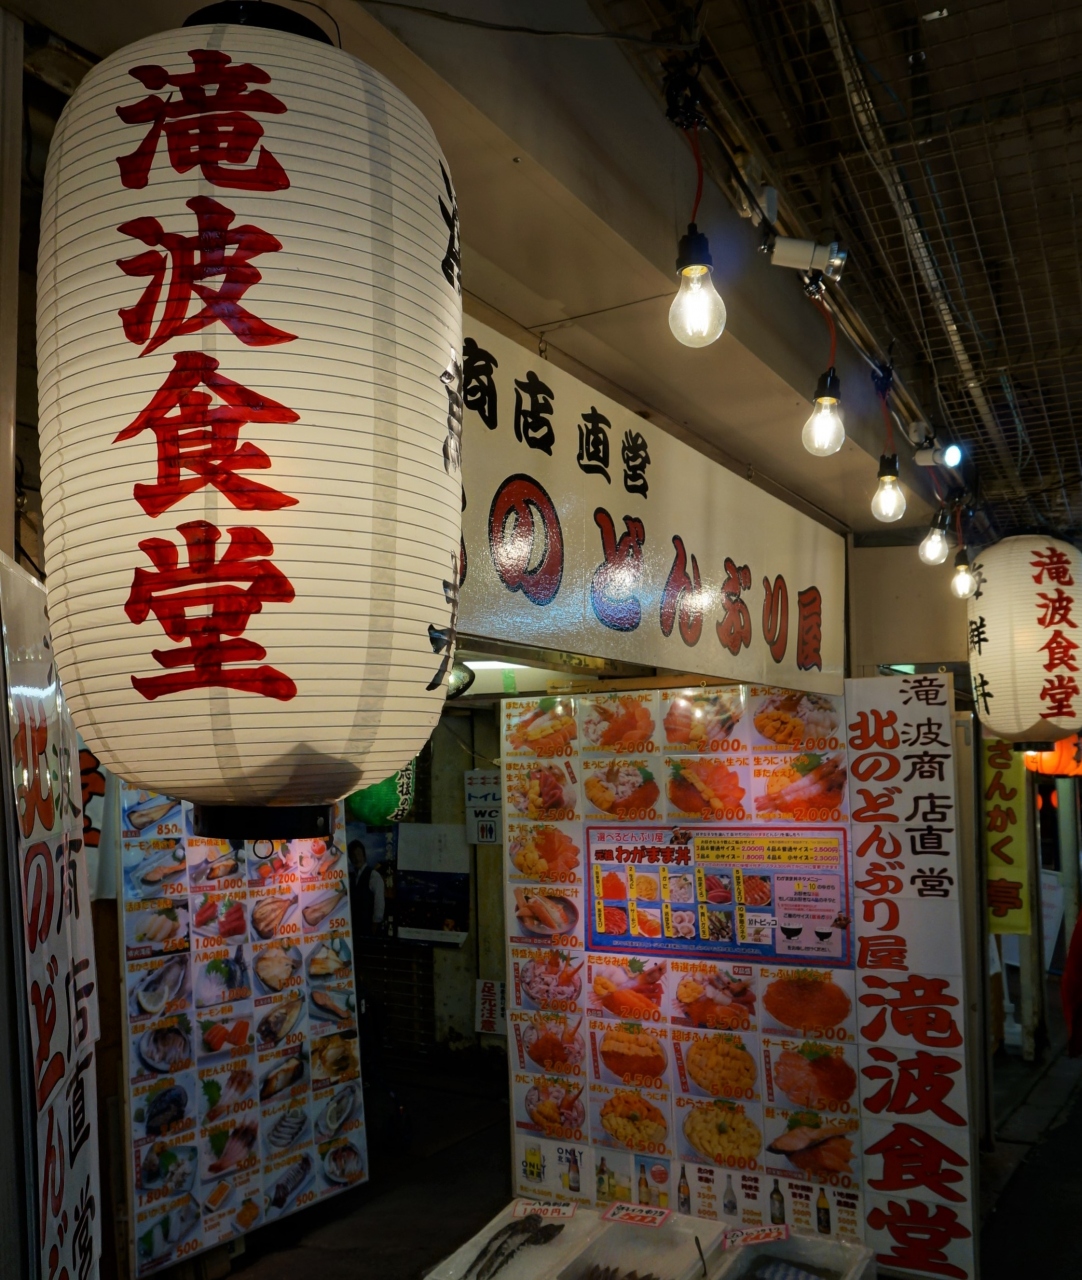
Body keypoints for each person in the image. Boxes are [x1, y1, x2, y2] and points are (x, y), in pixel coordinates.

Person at [348, 838, 385, 937]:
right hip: (354, 928)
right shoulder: (351, 878)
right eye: (353, 855)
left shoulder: (373, 875)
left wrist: (375, 924)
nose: (356, 858)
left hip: (368, 927)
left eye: (358, 854)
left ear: (364, 855)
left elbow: (379, 902)